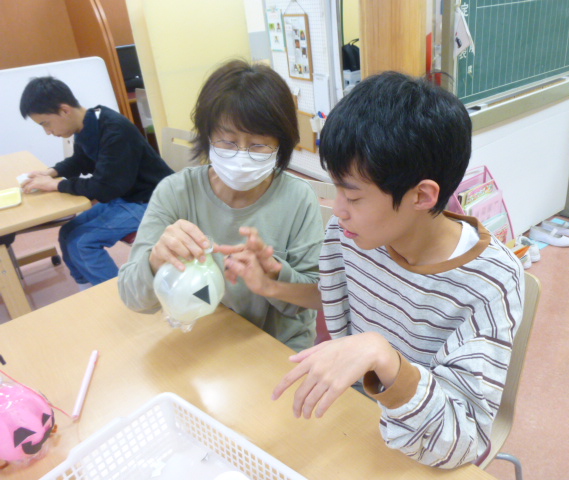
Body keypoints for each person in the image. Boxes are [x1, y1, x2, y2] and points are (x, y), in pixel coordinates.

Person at [222, 71, 525, 468]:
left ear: (422, 195)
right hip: (354, 409)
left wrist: (385, 358)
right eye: (336, 189)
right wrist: (273, 286)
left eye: (353, 196)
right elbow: (339, 294)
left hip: (422, 437)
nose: (338, 209)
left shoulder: (489, 282)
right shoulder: (352, 233)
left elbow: (463, 437)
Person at [117, 60, 324, 352]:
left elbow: (317, 297)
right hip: (204, 335)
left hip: (276, 345)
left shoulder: (298, 198)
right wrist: (155, 261)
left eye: (258, 145)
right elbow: (132, 297)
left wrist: (275, 276)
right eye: (227, 141)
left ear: (281, 145)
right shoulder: (176, 193)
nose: (242, 156)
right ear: (208, 137)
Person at [19, 77, 174, 288]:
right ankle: (89, 288)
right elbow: (81, 160)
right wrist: (51, 173)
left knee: (82, 244)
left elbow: (104, 188)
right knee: (67, 233)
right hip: (127, 197)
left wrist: (56, 185)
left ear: (64, 111)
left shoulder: (114, 129)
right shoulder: (88, 124)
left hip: (152, 200)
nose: (48, 132)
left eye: (46, 123)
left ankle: (120, 296)